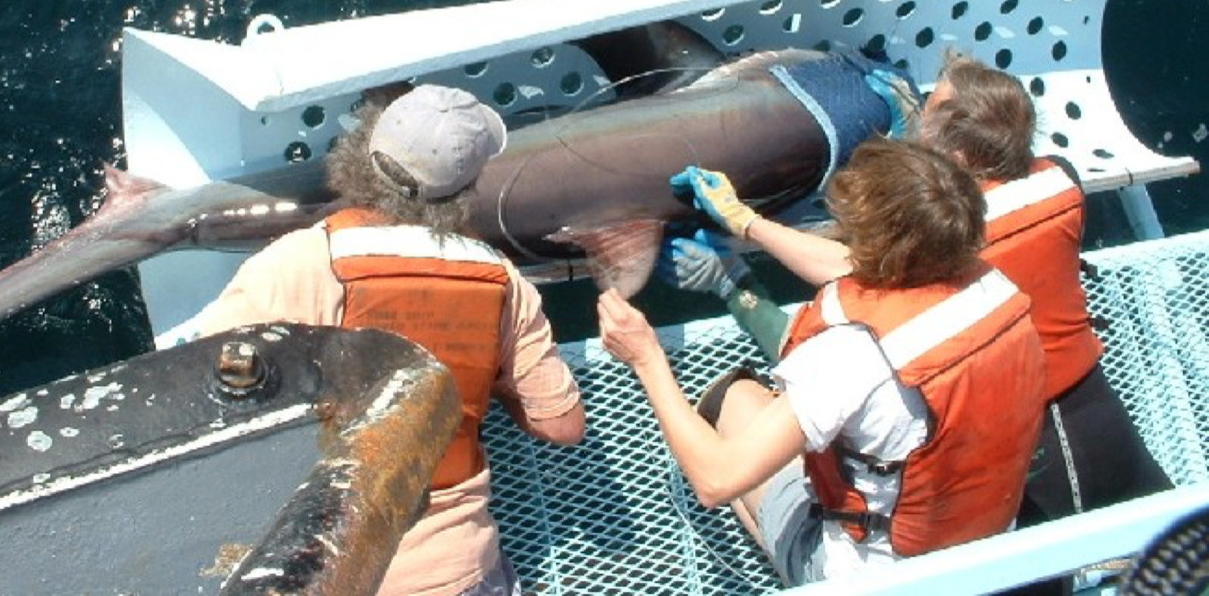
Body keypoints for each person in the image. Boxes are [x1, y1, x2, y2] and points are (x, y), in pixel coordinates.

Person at [666, 52, 1172, 522]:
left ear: (955, 152)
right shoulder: (1061, 180)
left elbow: (844, 270)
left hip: (1027, 455)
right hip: (1101, 418)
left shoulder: (935, 267)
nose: (918, 126)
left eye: (927, 116)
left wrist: (742, 245)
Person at [601, 138, 1046, 586]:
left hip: (871, 581)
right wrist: (746, 222)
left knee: (730, 400)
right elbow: (851, 268)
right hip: (982, 550)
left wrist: (646, 357)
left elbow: (715, 480)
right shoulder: (996, 289)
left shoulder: (852, 356)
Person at [200, 84, 585, 596]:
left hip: (322, 569)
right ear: (465, 193)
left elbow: (206, 399)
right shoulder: (500, 280)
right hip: (456, 571)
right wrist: (490, 379)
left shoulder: (293, 263)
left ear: (361, 150)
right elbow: (563, 425)